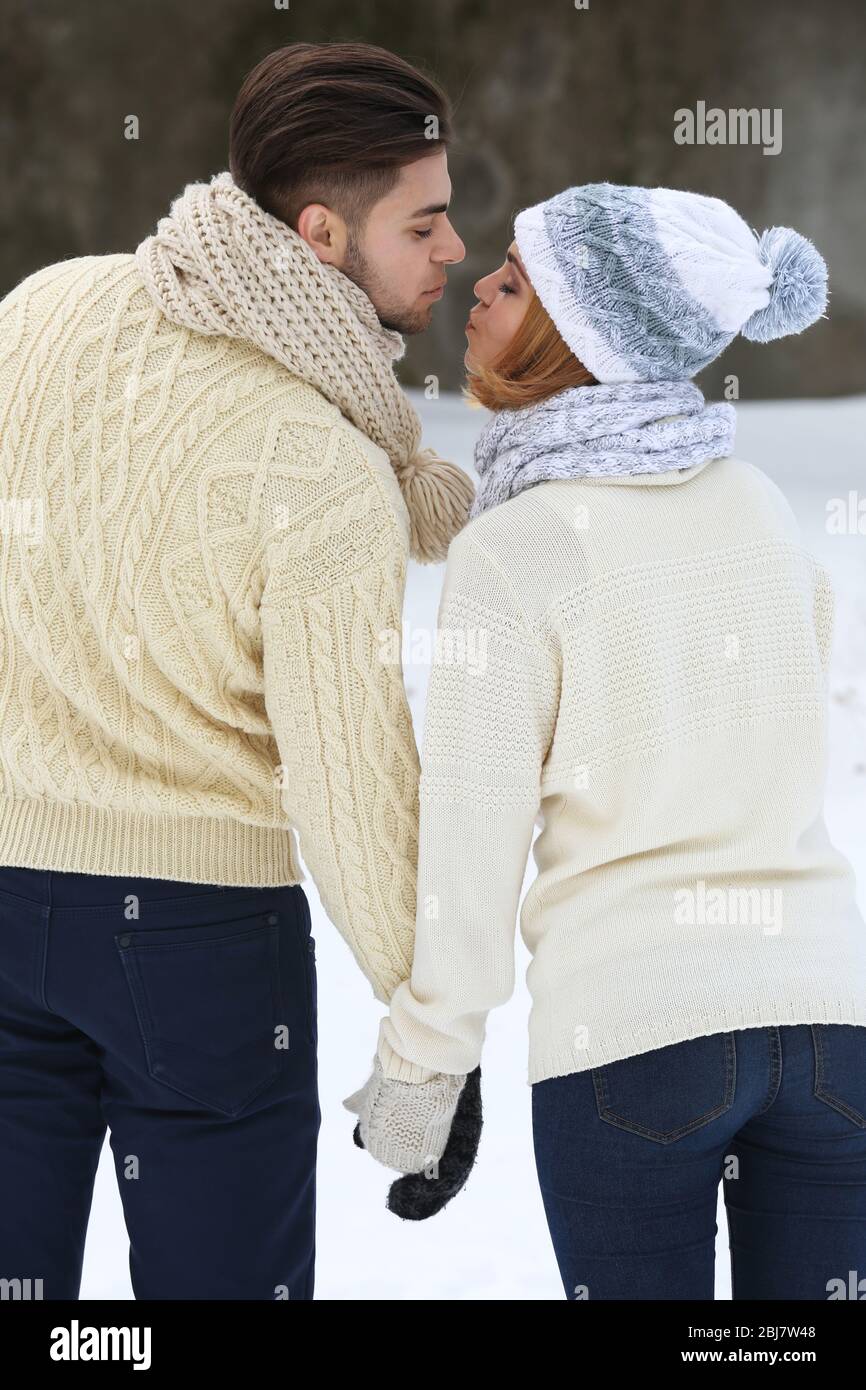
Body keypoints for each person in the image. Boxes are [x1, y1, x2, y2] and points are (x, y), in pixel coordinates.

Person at [0, 41, 473, 1300]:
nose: (455, 251)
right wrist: (428, 1044)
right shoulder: (320, 469)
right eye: (424, 221)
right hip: (202, 947)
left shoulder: (39, 311)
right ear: (321, 233)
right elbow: (351, 782)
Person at [344, 183, 866, 1299]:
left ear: (576, 337)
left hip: (633, 1042)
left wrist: (423, 1071)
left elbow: (472, 848)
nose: (478, 279)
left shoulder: (516, 549)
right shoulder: (761, 506)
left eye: (517, 281)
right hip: (833, 1030)